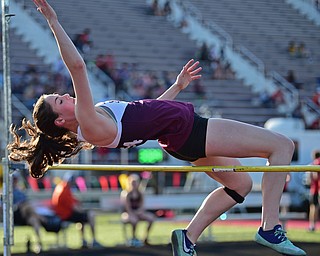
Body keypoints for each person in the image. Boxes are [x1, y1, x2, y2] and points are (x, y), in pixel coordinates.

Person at [7, 1, 306, 255]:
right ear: (61, 120)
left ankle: (187, 238)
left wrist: (176, 87)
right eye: (60, 100)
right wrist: (52, 20)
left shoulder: (93, 123)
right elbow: (78, 67)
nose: (68, 96)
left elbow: (149, 117)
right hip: (191, 130)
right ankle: (270, 226)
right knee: (281, 146)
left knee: (241, 184)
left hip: (179, 136)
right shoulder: (87, 120)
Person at [51, 173, 102, 248]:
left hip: (62, 213)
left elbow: (74, 202)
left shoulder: (62, 186)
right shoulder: (64, 189)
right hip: (65, 215)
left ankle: (83, 240)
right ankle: (94, 240)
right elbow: (74, 208)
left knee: (83, 218)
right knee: (90, 215)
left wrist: (79, 205)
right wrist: (84, 211)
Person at [120, 173, 155, 246]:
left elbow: (142, 205)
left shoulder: (140, 193)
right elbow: (127, 207)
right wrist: (133, 214)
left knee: (151, 218)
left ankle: (145, 238)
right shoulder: (126, 193)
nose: (134, 184)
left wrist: (139, 212)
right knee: (134, 220)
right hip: (128, 213)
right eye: (133, 182)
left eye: (135, 182)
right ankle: (133, 237)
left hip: (138, 212)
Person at [307, 151, 320, 232]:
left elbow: (314, 176)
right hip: (316, 188)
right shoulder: (316, 162)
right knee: (314, 208)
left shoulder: (315, 162)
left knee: (313, 208)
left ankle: (312, 225)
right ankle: (312, 225)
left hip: (315, 189)